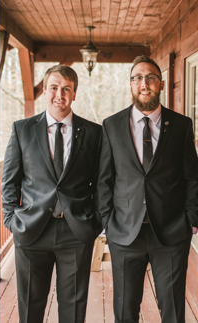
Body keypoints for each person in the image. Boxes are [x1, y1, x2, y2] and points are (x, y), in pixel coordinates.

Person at [96, 55, 198, 323]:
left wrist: (192, 219)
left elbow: (192, 177)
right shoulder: (111, 126)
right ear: (130, 85)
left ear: (161, 84)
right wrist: (107, 220)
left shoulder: (181, 125)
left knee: (173, 310)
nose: (144, 83)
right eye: (138, 78)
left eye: (151, 77)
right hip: (125, 232)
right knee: (125, 310)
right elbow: (104, 179)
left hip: (172, 232)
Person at [1, 64, 103, 323]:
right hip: (32, 230)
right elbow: (10, 180)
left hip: (76, 231)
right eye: (54, 88)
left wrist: (97, 222)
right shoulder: (22, 129)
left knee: (73, 307)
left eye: (66, 89)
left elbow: (102, 182)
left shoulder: (93, 133)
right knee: (30, 307)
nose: (60, 94)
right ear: (45, 91)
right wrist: (11, 220)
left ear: (75, 93)